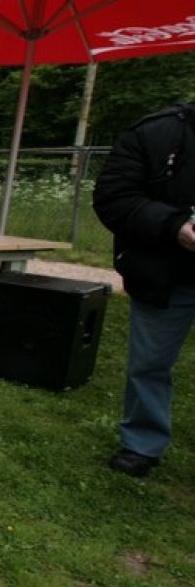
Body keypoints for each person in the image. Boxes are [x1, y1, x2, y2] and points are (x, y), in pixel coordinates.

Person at [93, 101, 195, 477]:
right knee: (149, 362)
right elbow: (114, 197)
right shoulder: (155, 133)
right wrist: (174, 226)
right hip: (165, 269)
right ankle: (142, 442)